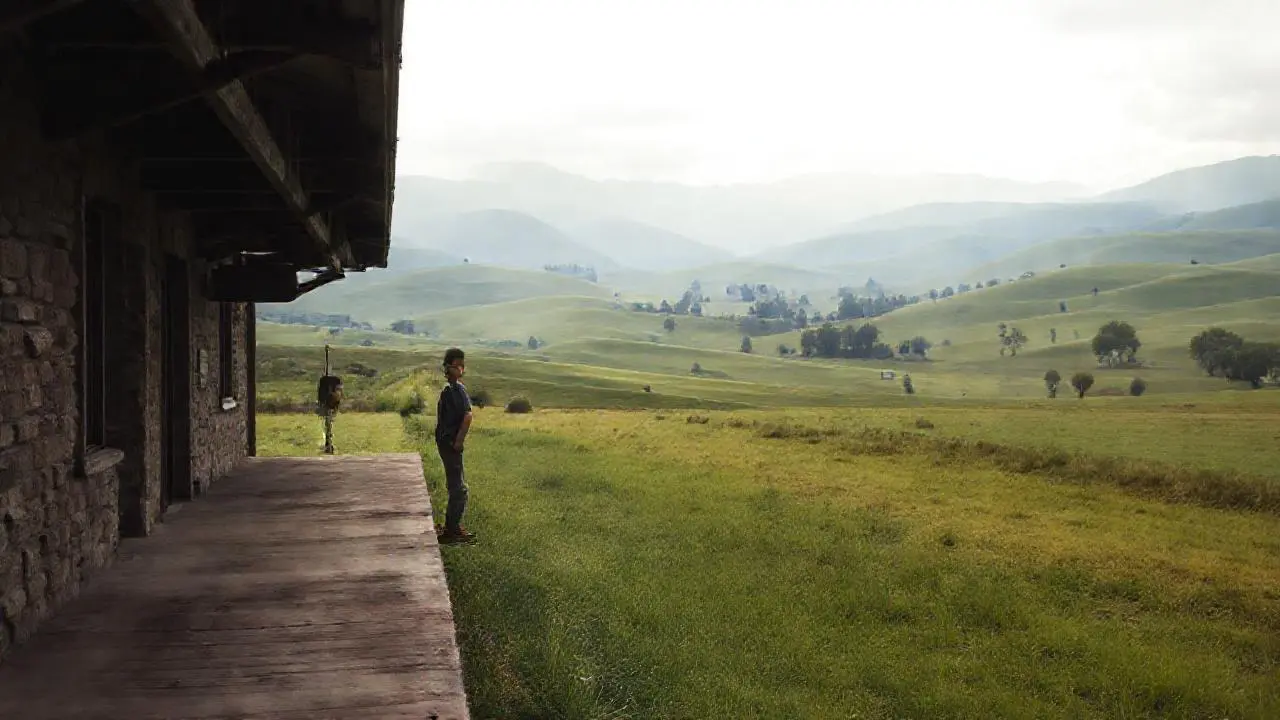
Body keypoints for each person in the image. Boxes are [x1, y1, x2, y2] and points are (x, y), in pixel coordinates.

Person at [436, 348, 475, 543]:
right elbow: (467, 416)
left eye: (462, 365)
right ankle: (452, 530)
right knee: (459, 488)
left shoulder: (450, 389)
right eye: (457, 365)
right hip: (451, 444)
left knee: (455, 485)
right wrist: (459, 441)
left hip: (445, 442)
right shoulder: (456, 390)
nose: (460, 369)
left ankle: (452, 526)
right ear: (448, 367)